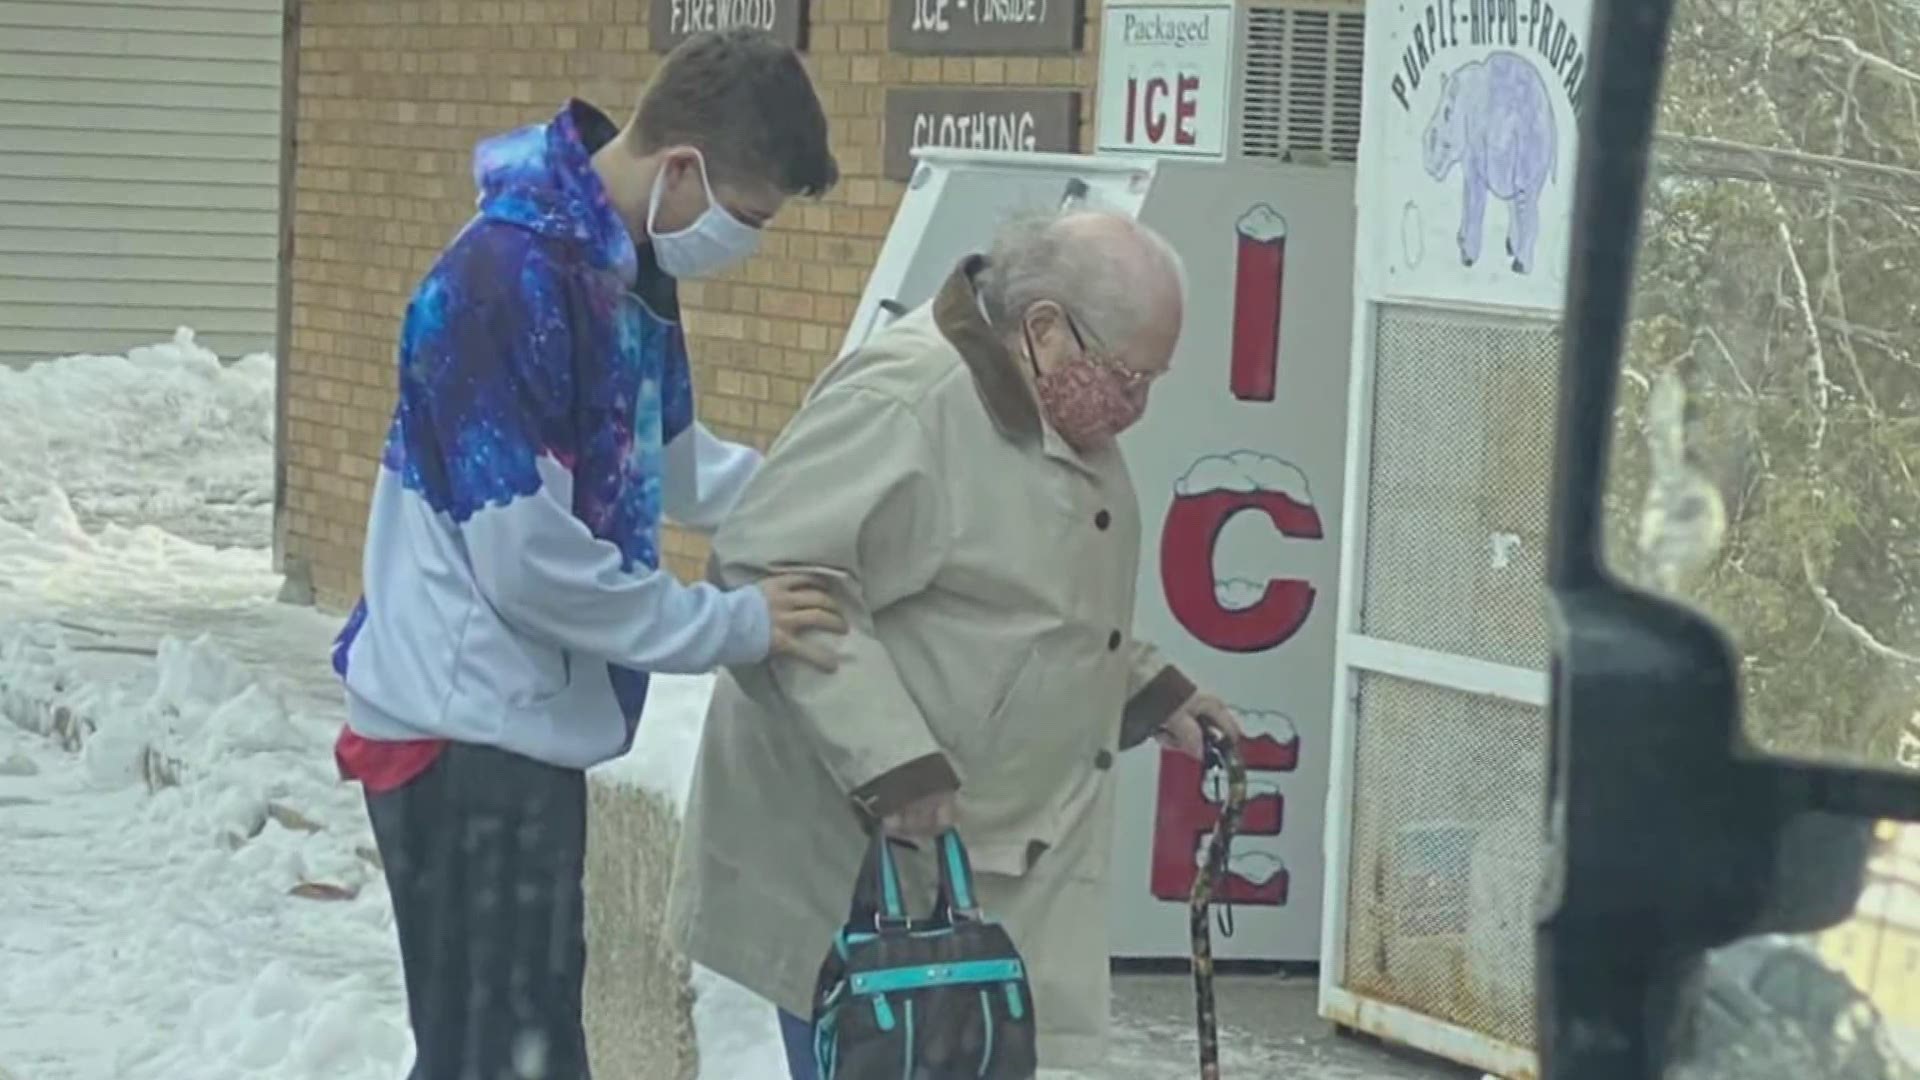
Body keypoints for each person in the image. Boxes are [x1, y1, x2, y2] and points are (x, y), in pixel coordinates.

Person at [328, 29, 846, 1080]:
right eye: (747, 218)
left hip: (524, 725)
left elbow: (673, 461)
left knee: (527, 1049)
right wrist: (729, 627)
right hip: (461, 729)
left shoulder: (630, 269)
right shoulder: (503, 279)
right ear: (684, 169)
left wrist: (831, 508)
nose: (745, 243)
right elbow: (527, 559)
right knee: (497, 1058)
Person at [665, 210, 1246, 1076]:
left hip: (970, 864)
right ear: (1044, 329)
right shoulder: (907, 399)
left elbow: (1019, 596)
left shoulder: (1052, 402)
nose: (1138, 407)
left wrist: (1149, 690)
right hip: (858, 867)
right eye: (1127, 378)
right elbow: (778, 570)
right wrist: (892, 761)